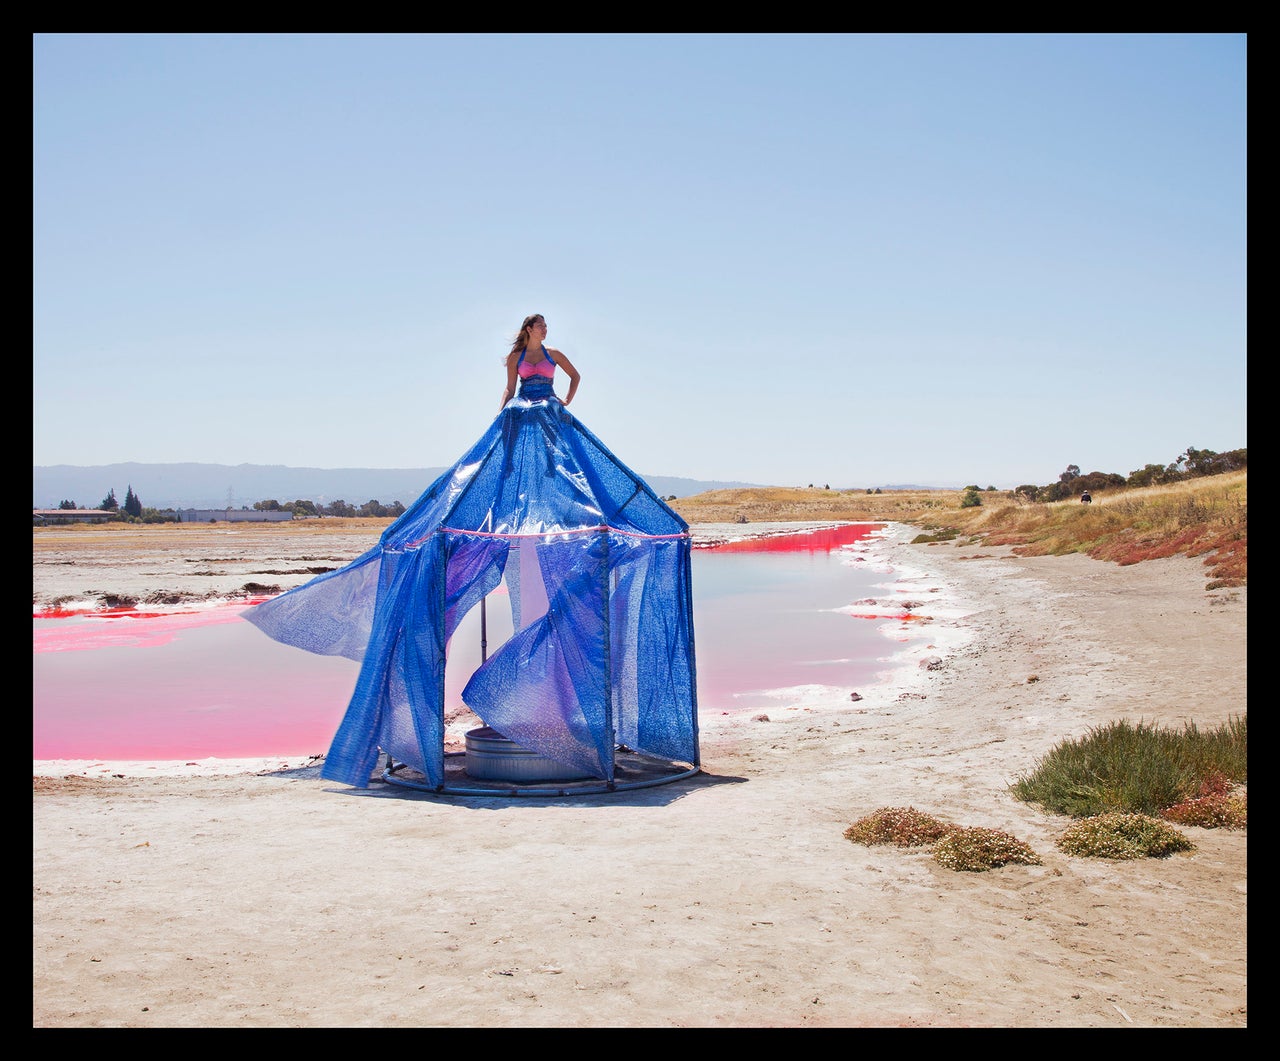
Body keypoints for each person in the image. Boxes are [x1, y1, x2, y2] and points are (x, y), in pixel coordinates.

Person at [500, 313, 580, 410]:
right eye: (540, 326)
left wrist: (567, 400)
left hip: (548, 401)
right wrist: (500, 412)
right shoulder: (515, 356)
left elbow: (575, 376)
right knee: (511, 409)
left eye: (545, 326)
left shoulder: (553, 353)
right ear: (529, 329)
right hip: (524, 401)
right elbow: (510, 389)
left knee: (544, 406)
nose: (544, 329)